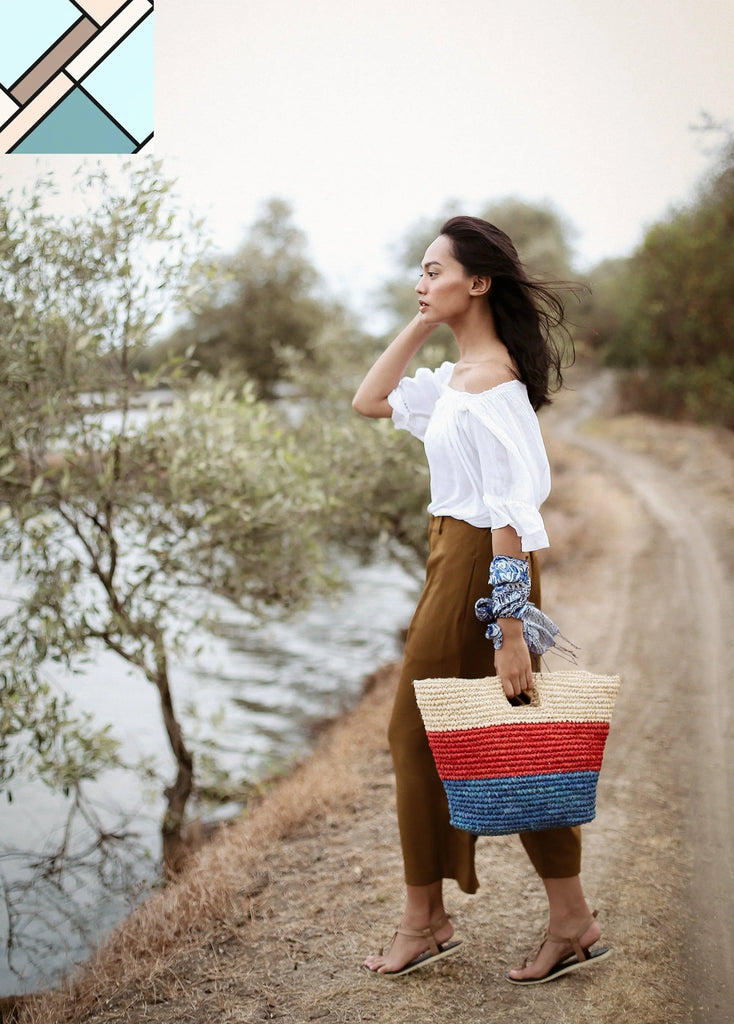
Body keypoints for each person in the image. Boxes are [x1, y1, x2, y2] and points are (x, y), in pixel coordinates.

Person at [352, 216, 611, 983]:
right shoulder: (456, 381)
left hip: (479, 564)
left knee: (418, 735)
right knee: (511, 730)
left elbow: (509, 515)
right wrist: (421, 321)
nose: (420, 282)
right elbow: (370, 399)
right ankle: (568, 919)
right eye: (419, 272)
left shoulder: (491, 385)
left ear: (479, 281)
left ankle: (426, 921)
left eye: (433, 271)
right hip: (451, 558)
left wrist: (510, 630)